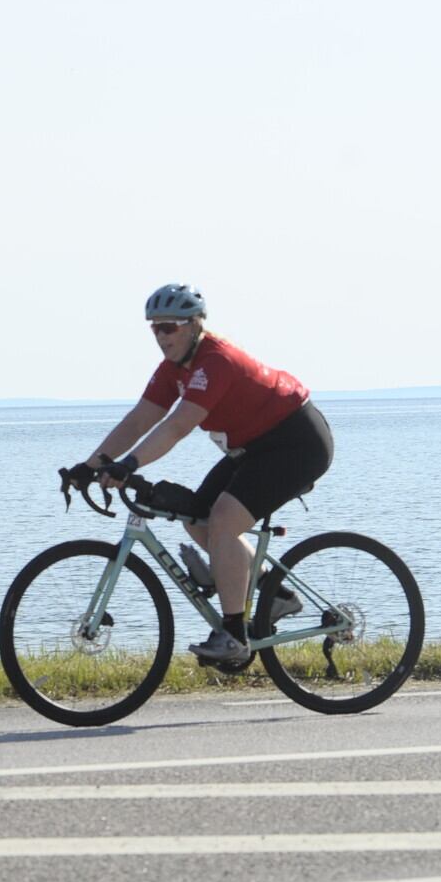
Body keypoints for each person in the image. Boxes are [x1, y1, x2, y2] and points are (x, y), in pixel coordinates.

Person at [79, 283, 334, 668]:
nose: (161, 335)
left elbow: (176, 427)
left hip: (296, 441)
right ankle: (275, 594)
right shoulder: (173, 370)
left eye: (170, 327)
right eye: (155, 328)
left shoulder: (216, 362)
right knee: (195, 514)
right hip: (253, 447)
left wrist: (128, 465)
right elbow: (140, 419)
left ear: (195, 325)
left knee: (223, 521)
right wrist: (90, 466)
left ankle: (234, 636)